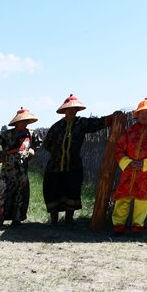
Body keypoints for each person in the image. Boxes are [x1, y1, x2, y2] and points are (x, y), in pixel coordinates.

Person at [42, 94, 119, 226]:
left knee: (72, 189)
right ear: (64, 111)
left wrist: (113, 117)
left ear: (77, 110)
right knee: (52, 190)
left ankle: (69, 219)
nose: (71, 111)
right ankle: (54, 219)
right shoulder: (56, 127)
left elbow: (98, 123)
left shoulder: (82, 123)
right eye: (68, 109)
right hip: (54, 166)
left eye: (74, 109)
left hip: (73, 165)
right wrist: (59, 153)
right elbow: (47, 144)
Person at [111, 98, 147, 235]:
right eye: (141, 113)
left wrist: (144, 163)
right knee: (122, 197)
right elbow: (119, 149)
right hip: (129, 169)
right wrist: (127, 162)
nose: (144, 115)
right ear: (137, 115)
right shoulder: (130, 131)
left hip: (146, 171)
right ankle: (118, 226)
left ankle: (137, 226)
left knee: (142, 199)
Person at [0, 107, 39, 227]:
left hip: (22, 170)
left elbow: (38, 144)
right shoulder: (7, 134)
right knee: (3, 193)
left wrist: (32, 150)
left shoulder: (31, 134)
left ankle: (17, 219)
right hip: (8, 170)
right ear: (17, 122)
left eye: (27, 120)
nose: (25, 123)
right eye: (23, 120)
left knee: (20, 193)